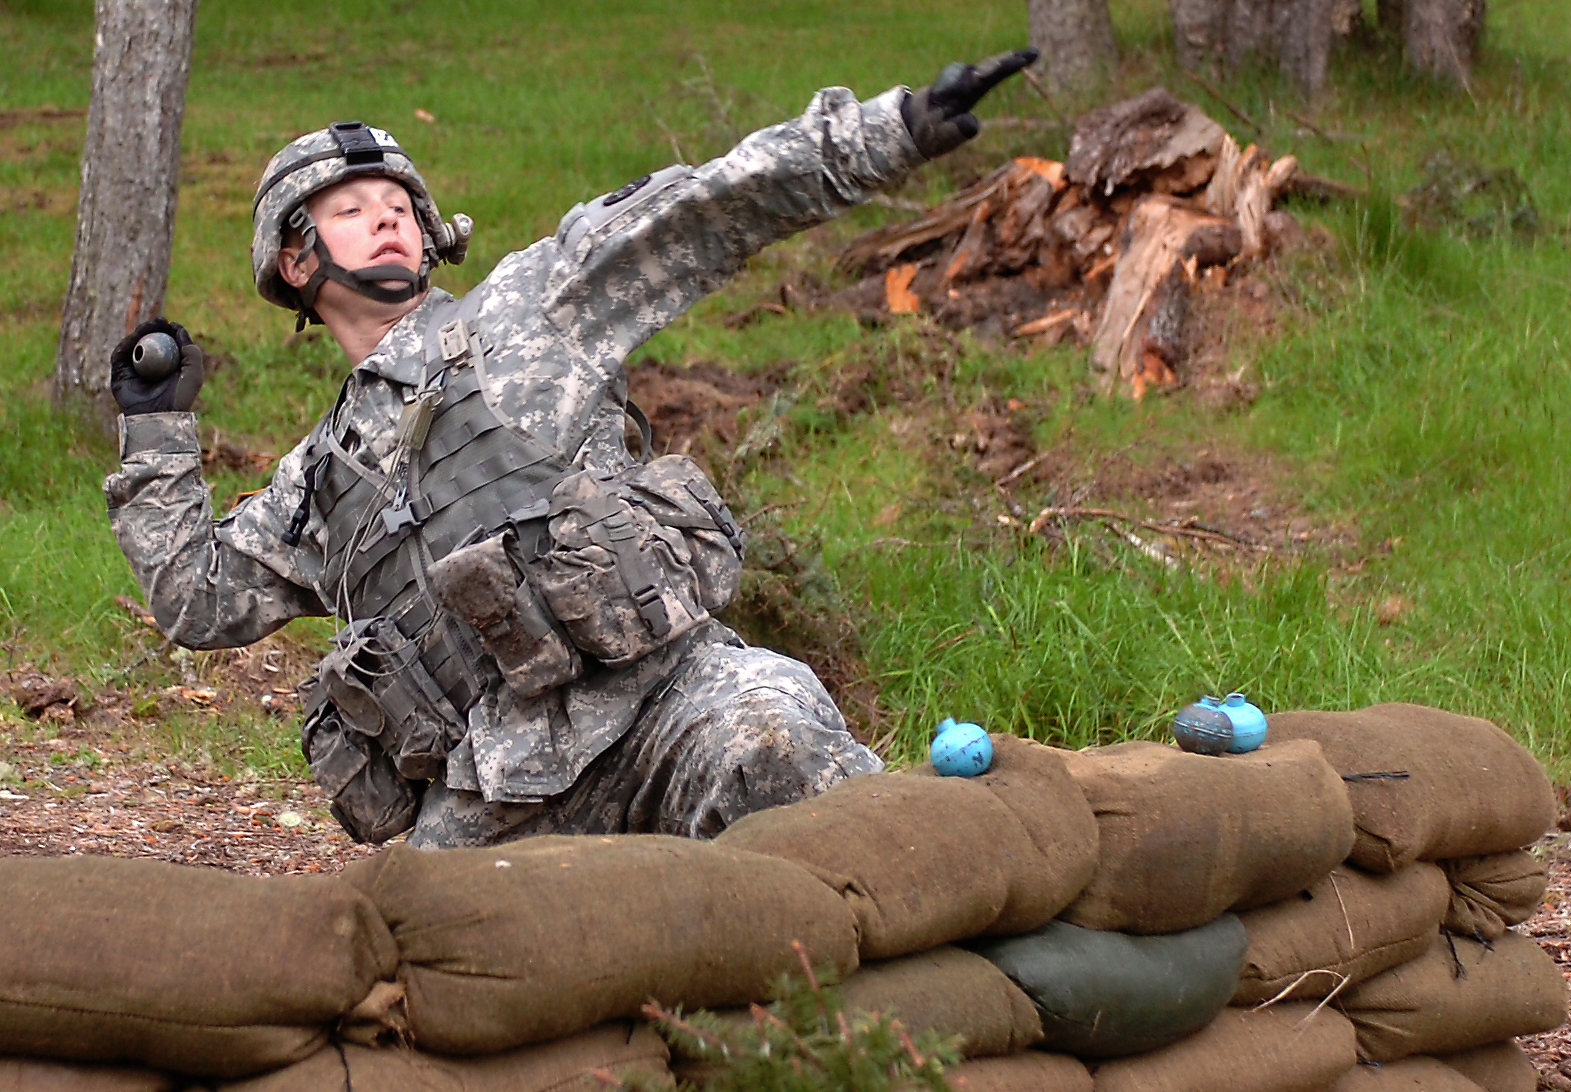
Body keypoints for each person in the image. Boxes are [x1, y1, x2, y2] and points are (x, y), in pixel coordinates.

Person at [103, 50, 1037, 848]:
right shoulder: (316, 485)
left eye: (400, 203)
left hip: (672, 700)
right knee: (421, 957)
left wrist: (889, 130)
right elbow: (197, 598)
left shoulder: (531, 305)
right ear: (296, 264)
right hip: (497, 791)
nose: (388, 216)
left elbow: (704, 209)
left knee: (776, 753)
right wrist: (154, 430)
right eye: (351, 208)